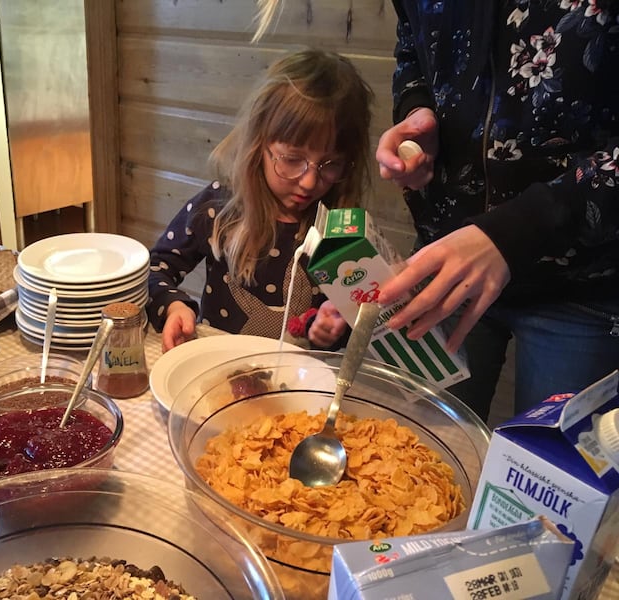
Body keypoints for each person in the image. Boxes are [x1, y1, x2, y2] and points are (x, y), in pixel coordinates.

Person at [254, 0, 619, 421]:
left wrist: (518, 227)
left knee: (546, 474)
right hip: (445, 258)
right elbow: (415, 45)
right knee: (419, 439)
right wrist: (417, 109)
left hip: (583, 278)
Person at [146, 49, 373, 352]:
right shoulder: (217, 209)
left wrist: (336, 327)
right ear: (258, 143)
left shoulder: (341, 229)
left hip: (301, 388)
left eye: (330, 164)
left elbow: (363, 319)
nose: (309, 181)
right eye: (292, 159)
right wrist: (174, 306)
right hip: (219, 372)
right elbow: (155, 268)